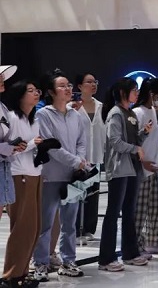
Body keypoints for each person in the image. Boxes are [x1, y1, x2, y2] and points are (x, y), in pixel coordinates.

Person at [33, 70, 87, 281]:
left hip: (73, 177)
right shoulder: (43, 115)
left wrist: (80, 160)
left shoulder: (76, 115)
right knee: (46, 223)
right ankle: (40, 263)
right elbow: (51, 147)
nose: (68, 89)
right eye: (62, 86)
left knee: (70, 224)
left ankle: (68, 261)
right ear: (51, 92)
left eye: (69, 85)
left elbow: (82, 141)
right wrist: (75, 161)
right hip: (51, 175)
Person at [98, 78, 151, 272]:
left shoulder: (131, 113)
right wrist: (135, 148)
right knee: (113, 213)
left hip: (133, 168)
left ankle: (130, 253)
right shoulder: (115, 113)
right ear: (122, 92)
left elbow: (134, 141)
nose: (137, 93)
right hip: (119, 169)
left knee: (129, 212)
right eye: (134, 90)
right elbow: (115, 141)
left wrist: (143, 134)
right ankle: (106, 258)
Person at [3, 79, 42, 288]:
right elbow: (10, 149)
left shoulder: (34, 120)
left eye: (37, 90)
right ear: (19, 96)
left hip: (35, 173)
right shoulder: (12, 118)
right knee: (21, 228)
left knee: (33, 228)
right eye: (30, 91)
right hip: (19, 175)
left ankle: (22, 272)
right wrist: (32, 144)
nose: (36, 93)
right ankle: (11, 274)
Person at [132, 78, 158, 256]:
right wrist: (142, 162)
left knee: (155, 206)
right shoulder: (137, 113)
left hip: (153, 167)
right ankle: (136, 245)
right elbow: (134, 142)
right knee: (140, 210)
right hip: (141, 167)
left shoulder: (153, 111)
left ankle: (152, 240)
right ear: (152, 94)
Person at [73, 73, 103, 244]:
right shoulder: (72, 107)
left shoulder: (101, 106)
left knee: (93, 193)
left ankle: (89, 228)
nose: (93, 85)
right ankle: (76, 229)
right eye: (89, 82)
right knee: (77, 193)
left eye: (95, 82)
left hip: (96, 156)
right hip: (79, 158)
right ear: (79, 86)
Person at [0, 64, 19, 221]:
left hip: (3, 165)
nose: (2, 81)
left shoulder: (3, 107)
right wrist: (7, 147)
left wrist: (14, 146)